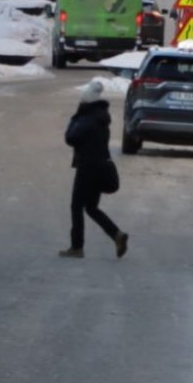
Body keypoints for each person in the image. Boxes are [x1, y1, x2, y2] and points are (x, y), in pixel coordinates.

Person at [61, 80, 128, 258]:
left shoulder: (88, 119)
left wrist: (76, 116)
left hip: (87, 167)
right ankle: (116, 235)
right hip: (100, 166)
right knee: (91, 207)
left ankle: (77, 247)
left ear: (86, 102)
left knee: (76, 206)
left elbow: (71, 137)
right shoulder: (100, 116)